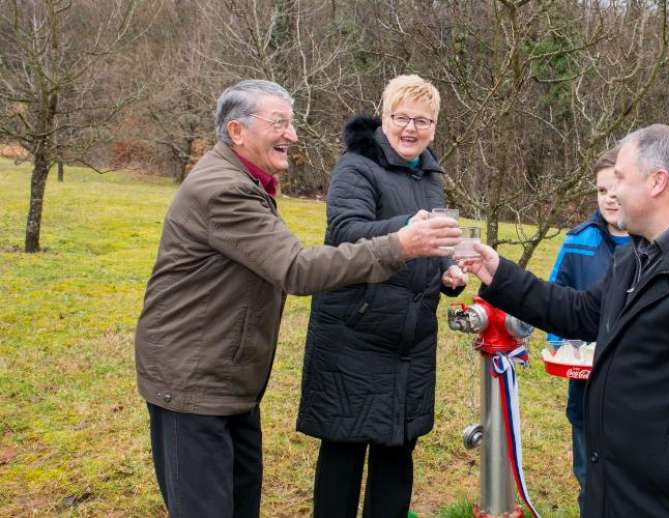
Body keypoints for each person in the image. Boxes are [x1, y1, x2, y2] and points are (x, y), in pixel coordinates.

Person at [134, 79, 461, 518]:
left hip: (227, 377)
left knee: (238, 501)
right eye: (280, 124)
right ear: (237, 131)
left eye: (423, 120)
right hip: (194, 381)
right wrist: (402, 243)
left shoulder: (248, 181)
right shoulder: (225, 190)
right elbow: (296, 268)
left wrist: (444, 269)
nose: (293, 135)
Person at [460, 124, 669, 517]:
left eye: (619, 178)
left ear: (657, 182)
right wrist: (497, 272)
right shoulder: (637, 257)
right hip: (618, 494)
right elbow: (580, 313)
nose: (610, 193)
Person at [296, 74, 467, 518]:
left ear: (435, 126)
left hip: (409, 339)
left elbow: (431, 243)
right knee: (344, 451)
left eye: (423, 121)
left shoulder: (430, 174)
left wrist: (448, 269)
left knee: (397, 451)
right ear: (384, 117)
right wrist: (409, 230)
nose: (411, 129)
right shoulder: (356, 166)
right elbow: (345, 232)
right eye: (401, 118)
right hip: (355, 329)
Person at [545, 147, 629, 515]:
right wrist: (560, 346)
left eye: (616, 189)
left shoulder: (655, 244)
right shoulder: (578, 241)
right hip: (585, 387)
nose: (610, 198)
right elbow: (556, 302)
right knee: (588, 473)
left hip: (635, 393)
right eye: (601, 191)